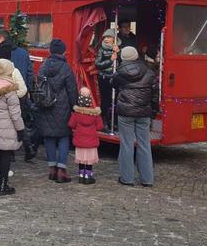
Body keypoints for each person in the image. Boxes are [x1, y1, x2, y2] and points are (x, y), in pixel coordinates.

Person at [112, 46, 158, 187]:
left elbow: (113, 85)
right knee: (144, 145)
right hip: (144, 112)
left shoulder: (118, 74)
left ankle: (127, 178)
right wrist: (153, 111)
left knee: (127, 144)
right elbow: (155, 93)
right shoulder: (149, 73)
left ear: (124, 57)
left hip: (126, 112)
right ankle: (147, 179)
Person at [37, 39, 79, 183]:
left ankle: (51, 169)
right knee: (63, 137)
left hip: (46, 105)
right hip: (63, 106)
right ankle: (62, 170)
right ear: (62, 51)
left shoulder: (43, 66)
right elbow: (72, 89)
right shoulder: (66, 68)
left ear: (50, 51)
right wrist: (75, 105)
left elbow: (39, 87)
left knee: (49, 137)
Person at [0, 59, 26, 195]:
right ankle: (2, 185)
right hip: (8, 128)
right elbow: (15, 114)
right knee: (5, 157)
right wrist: (20, 130)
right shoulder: (10, 90)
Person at [68, 87, 103, 184]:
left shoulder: (76, 114)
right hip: (91, 142)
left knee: (81, 160)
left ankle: (81, 176)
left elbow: (71, 124)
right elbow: (100, 127)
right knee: (89, 161)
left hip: (80, 141)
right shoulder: (95, 115)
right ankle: (88, 177)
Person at [95, 29, 121, 130]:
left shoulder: (119, 49)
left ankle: (114, 121)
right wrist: (110, 60)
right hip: (104, 78)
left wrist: (118, 54)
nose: (106, 39)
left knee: (116, 101)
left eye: (108, 37)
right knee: (105, 101)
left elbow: (123, 63)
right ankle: (104, 121)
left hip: (116, 78)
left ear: (114, 39)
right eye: (105, 37)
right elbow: (97, 64)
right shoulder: (101, 50)